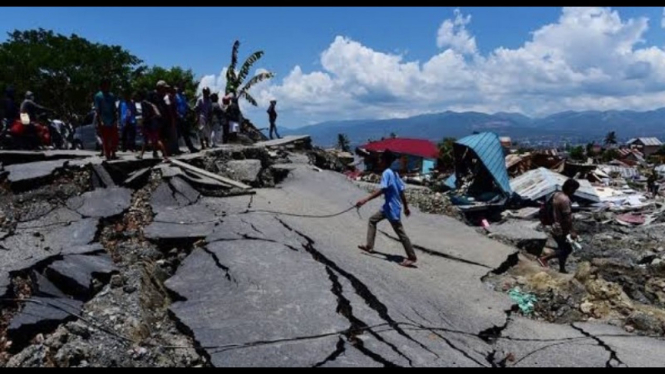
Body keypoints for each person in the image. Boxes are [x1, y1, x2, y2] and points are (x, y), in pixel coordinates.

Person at [356, 150, 417, 268]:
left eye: (381, 159)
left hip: (391, 208)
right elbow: (401, 192)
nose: (379, 161)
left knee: (400, 233)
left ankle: (411, 257)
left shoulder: (387, 173)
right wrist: (405, 207)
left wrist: (365, 199)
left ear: (385, 161)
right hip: (388, 207)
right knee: (372, 220)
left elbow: (382, 189)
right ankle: (369, 246)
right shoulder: (395, 173)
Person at [537, 179, 581, 274]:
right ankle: (544, 259)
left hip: (554, 225)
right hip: (561, 228)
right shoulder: (565, 200)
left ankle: (562, 268)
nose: (574, 192)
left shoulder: (556, 194)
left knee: (563, 247)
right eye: (574, 189)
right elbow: (567, 218)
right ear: (570, 188)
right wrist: (572, 231)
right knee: (567, 249)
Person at [136, 91, 168, 160]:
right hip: (154, 124)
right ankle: (155, 154)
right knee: (153, 140)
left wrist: (143, 121)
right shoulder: (152, 104)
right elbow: (158, 114)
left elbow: (146, 114)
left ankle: (165, 155)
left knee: (149, 140)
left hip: (148, 124)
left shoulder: (143, 103)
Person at [93, 79, 119, 160]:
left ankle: (113, 153)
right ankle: (108, 155)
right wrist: (100, 121)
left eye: (108, 85)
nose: (107, 87)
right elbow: (97, 110)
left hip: (112, 120)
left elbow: (114, 109)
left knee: (114, 138)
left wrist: (115, 120)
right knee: (105, 139)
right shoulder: (98, 96)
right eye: (105, 85)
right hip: (103, 120)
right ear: (101, 86)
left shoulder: (111, 96)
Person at [174, 84, 198, 153]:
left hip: (184, 117)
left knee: (185, 133)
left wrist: (191, 110)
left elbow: (186, 105)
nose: (182, 89)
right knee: (179, 134)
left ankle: (191, 147)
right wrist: (178, 115)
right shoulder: (175, 96)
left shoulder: (183, 96)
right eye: (181, 87)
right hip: (178, 117)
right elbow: (175, 107)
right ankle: (176, 148)